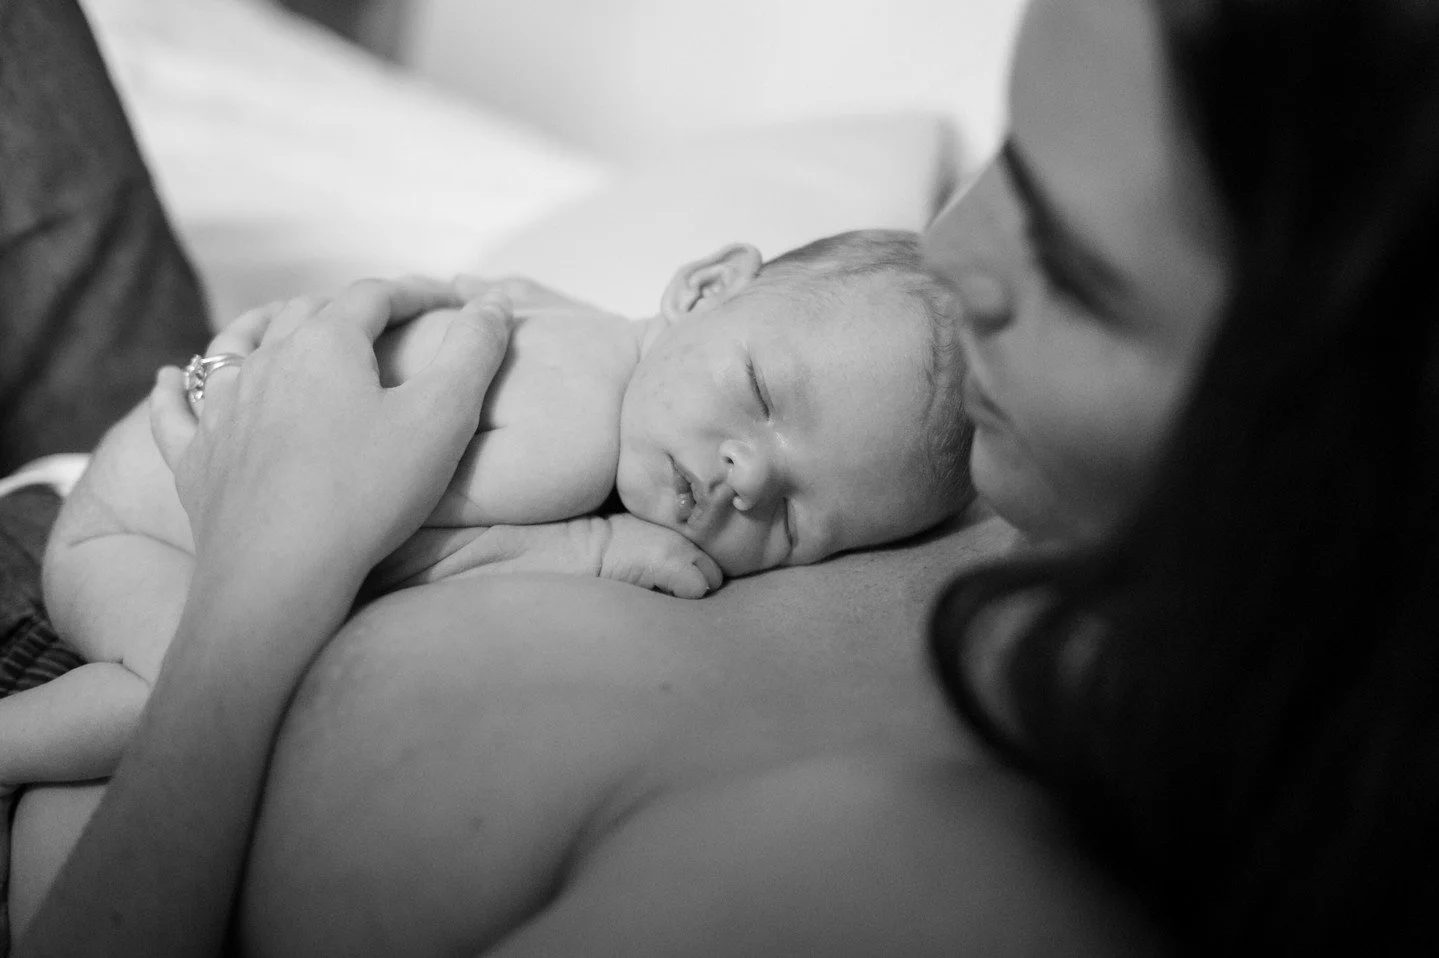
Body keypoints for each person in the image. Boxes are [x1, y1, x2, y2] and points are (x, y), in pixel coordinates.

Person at [7, 0, 1437, 955]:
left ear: (1309, 434)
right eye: (1008, 155)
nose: (957, 261)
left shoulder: (922, 875)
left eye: (1070, 265)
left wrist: (270, 565)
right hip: (157, 452)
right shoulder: (989, 435)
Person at [1, 229, 971, 797]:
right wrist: (582, 550)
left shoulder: (590, 335)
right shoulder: (575, 431)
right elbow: (361, 554)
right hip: (123, 537)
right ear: (704, 286)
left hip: (111, 468)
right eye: (760, 392)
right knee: (189, 687)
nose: (747, 478)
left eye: (798, 519)